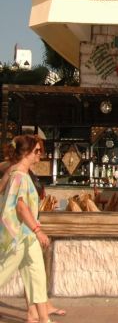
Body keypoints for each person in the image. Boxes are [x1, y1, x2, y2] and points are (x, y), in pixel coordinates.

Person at [0, 135, 60, 323]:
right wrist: (37, 230)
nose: (40, 154)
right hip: (18, 236)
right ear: (26, 152)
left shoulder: (20, 174)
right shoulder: (19, 176)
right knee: (3, 272)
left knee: (37, 276)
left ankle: (43, 318)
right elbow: (20, 206)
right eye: (37, 151)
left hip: (28, 237)